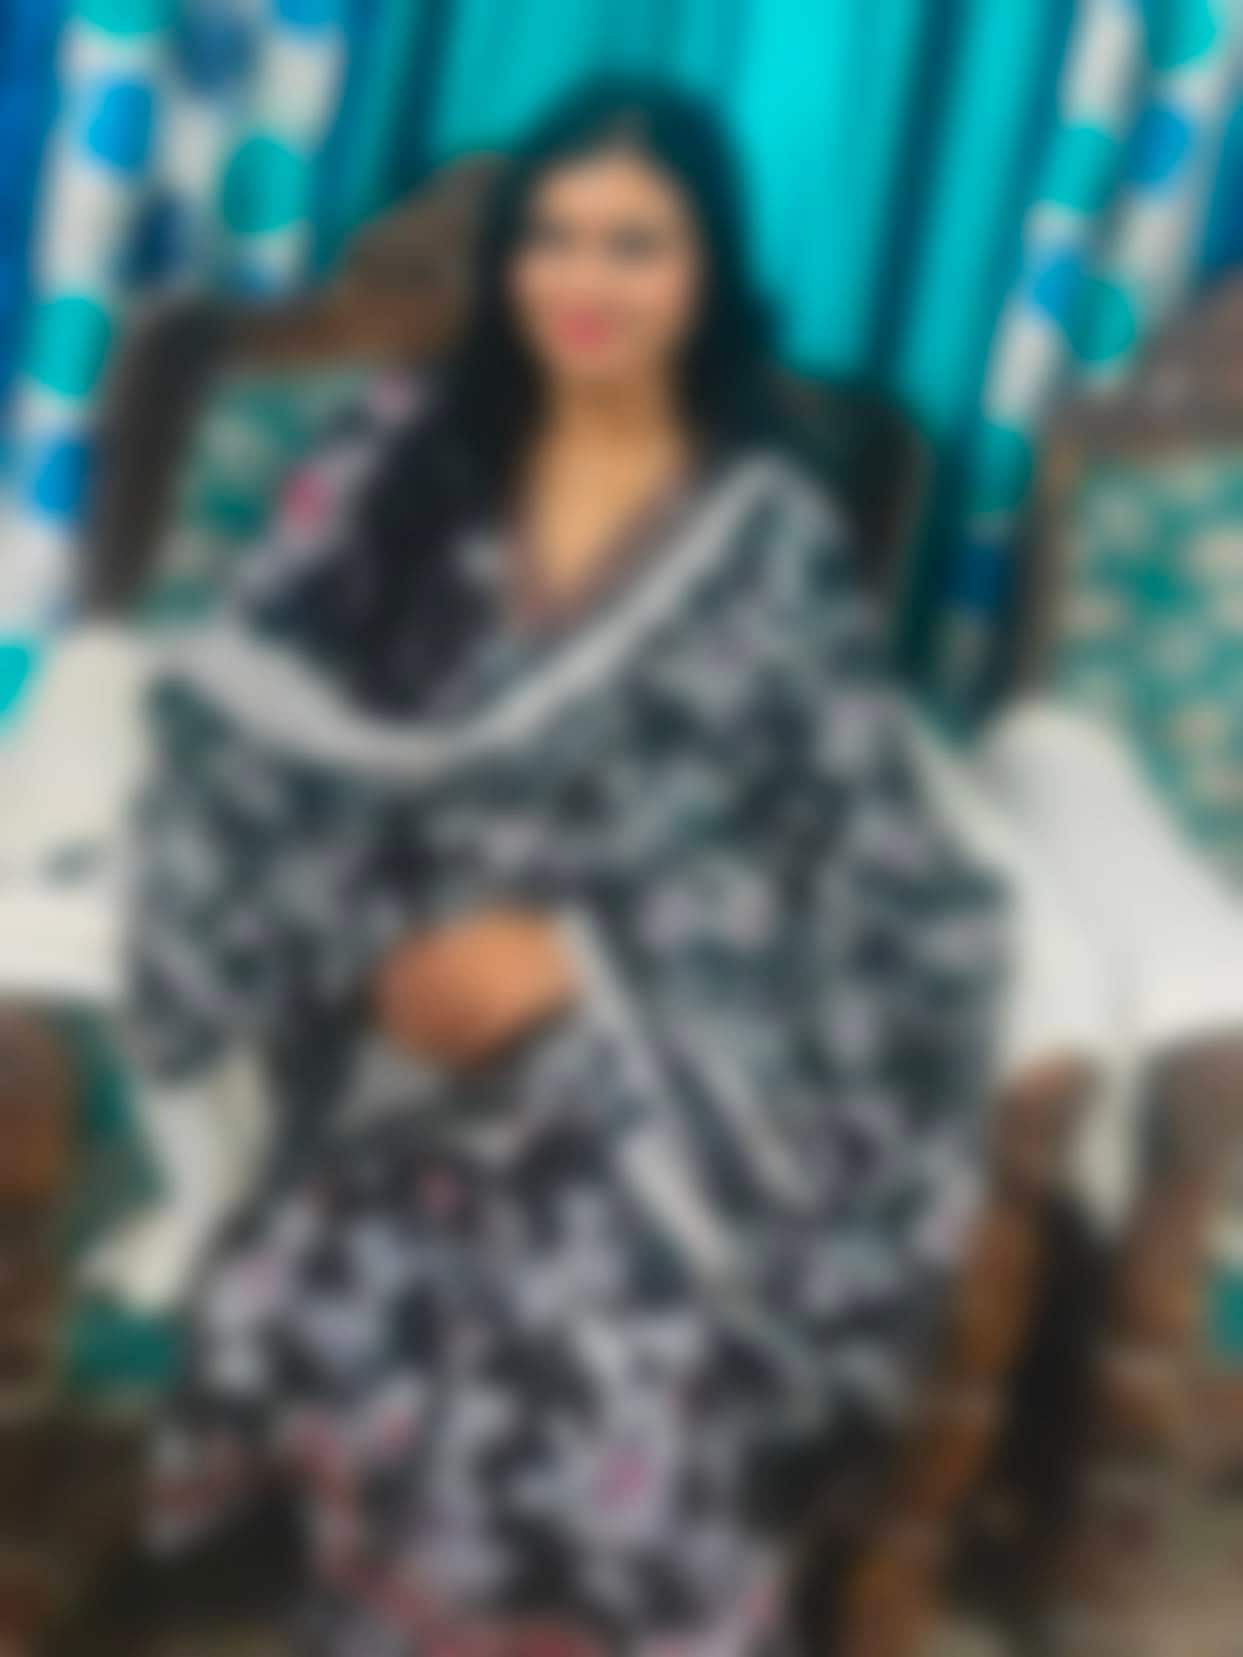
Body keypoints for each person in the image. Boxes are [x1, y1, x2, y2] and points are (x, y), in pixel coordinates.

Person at [118, 80, 1005, 1655]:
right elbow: (249, 721)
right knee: (404, 1219)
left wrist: (586, 952)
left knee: (603, 1278)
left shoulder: (769, 529)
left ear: (708, 271)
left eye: (636, 244)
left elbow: (835, 840)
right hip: (390, 979)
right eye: (553, 236)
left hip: (657, 1022)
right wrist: (373, 948)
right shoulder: (397, 455)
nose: (585, 282)